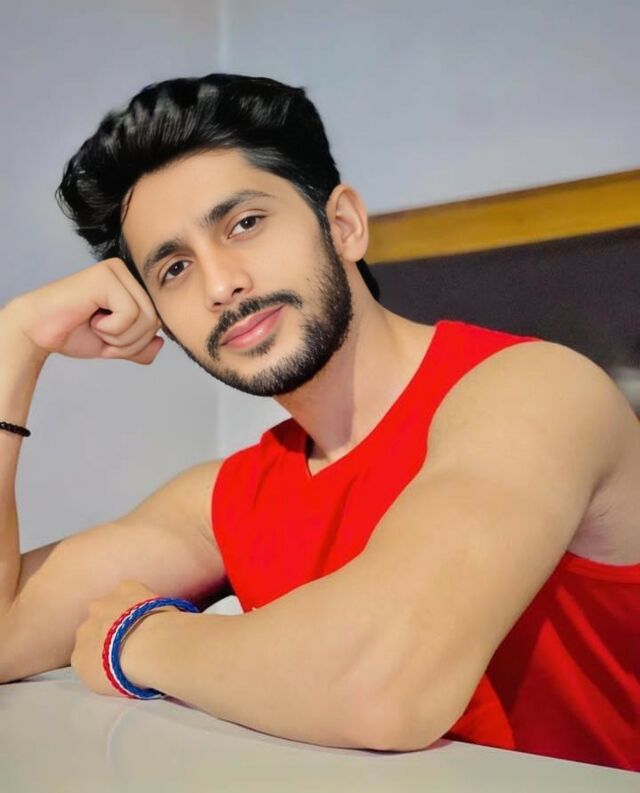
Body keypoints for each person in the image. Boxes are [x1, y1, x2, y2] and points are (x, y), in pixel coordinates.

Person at [0, 74, 638, 771]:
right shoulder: (226, 500)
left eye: (245, 224)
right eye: (175, 268)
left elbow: (383, 683)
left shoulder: (537, 391)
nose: (221, 284)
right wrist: (17, 340)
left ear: (344, 224)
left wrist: (137, 638)